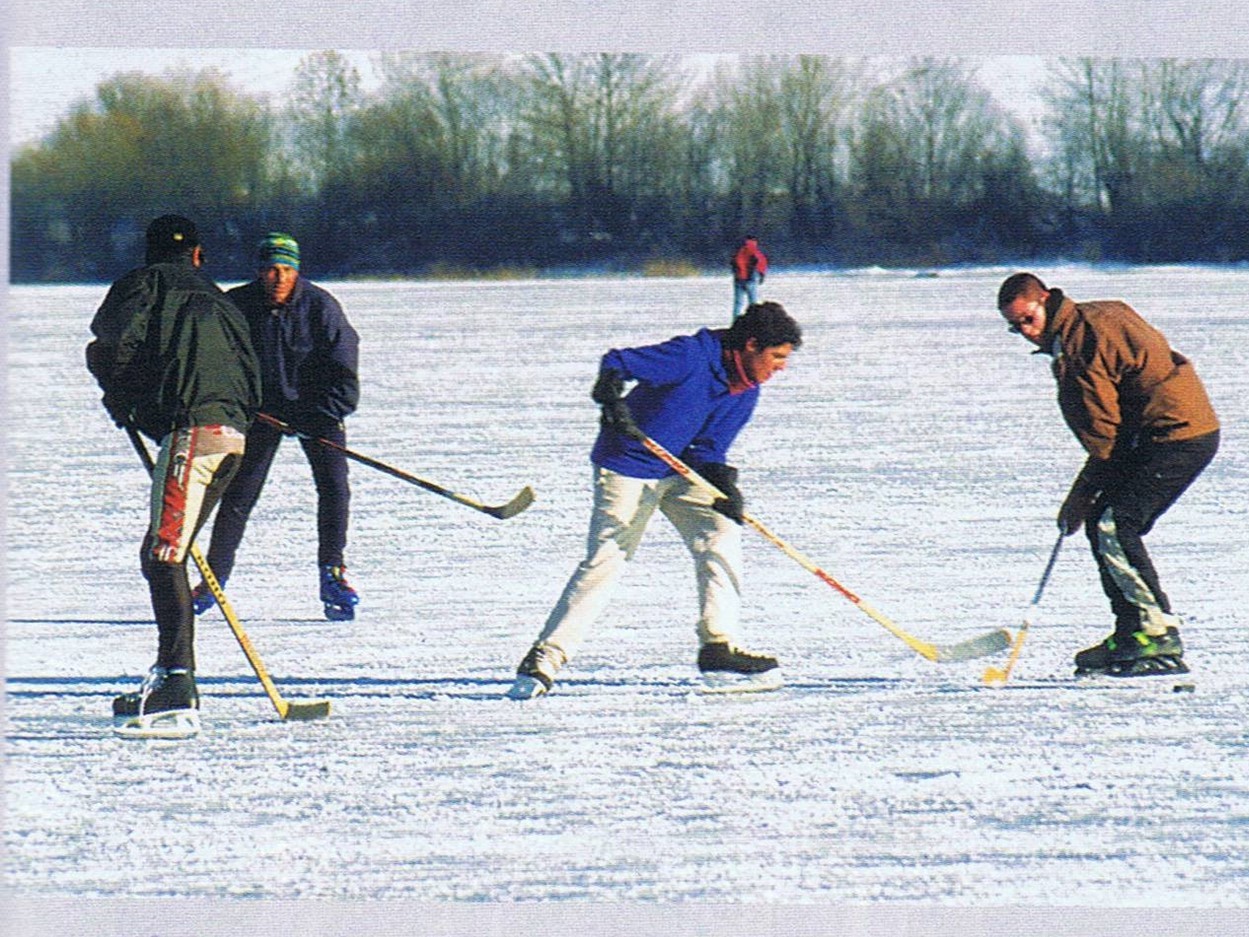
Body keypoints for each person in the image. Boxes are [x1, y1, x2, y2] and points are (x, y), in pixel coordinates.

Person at [507, 301, 803, 699]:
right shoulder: (691, 355)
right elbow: (619, 362)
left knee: (720, 536)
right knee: (608, 557)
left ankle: (718, 646)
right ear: (751, 345)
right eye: (777, 356)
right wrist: (611, 394)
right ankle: (545, 658)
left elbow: (708, 451)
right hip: (628, 463)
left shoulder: (745, 390)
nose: (781, 367)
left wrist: (724, 486)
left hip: (679, 469)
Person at [996, 272, 1219, 677]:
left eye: (1029, 319)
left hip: (1175, 434)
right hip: (1164, 432)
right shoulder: (1094, 315)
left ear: (1045, 299)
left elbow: (1104, 438)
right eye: (1016, 327)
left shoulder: (1080, 349)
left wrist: (1080, 496)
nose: (1026, 333)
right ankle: (1134, 630)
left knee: (1112, 524)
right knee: (1107, 521)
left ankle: (1155, 635)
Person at [87, 214, 261, 734]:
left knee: (162, 556)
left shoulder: (144, 284)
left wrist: (123, 398)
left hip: (193, 435)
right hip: (235, 437)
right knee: (172, 553)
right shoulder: (223, 300)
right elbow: (249, 375)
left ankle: (177, 686)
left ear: (150, 253)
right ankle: (169, 676)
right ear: (199, 255)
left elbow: (113, 347)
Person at [191, 232, 362, 620]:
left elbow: (344, 372)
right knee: (238, 496)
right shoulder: (236, 305)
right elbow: (215, 366)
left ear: (296, 272)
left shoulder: (320, 307)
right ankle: (214, 578)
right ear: (258, 271)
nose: (278, 277)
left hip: (316, 411)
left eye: (286, 270)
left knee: (334, 487)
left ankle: (333, 572)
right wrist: (241, 409)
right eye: (270, 269)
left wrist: (320, 415)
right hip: (259, 415)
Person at [730, 234, 768, 321]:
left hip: (739, 279)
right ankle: (754, 322)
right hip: (751, 279)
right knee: (753, 303)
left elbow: (733, 263)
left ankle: (735, 322)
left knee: (738, 303)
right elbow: (761, 263)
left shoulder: (738, 251)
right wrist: (762, 275)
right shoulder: (755, 251)